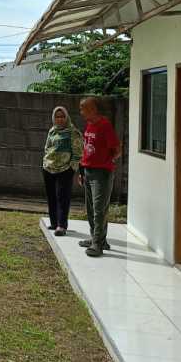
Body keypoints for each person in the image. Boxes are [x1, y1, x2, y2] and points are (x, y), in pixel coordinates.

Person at [78, 97, 122, 257]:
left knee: (99, 209)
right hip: (88, 171)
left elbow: (117, 150)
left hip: (101, 173)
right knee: (91, 208)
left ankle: (98, 244)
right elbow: (86, 149)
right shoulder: (89, 125)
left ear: (93, 109)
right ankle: (97, 239)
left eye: (83, 108)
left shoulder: (105, 125)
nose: (81, 112)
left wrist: (106, 161)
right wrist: (81, 171)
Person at [41, 106, 83, 237]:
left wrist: (72, 168)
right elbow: (47, 148)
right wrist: (46, 162)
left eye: (62, 116)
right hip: (49, 168)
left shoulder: (73, 132)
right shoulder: (52, 131)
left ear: (67, 117)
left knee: (62, 197)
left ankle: (62, 225)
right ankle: (54, 223)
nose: (60, 119)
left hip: (65, 169)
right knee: (51, 196)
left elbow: (78, 152)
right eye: (57, 116)